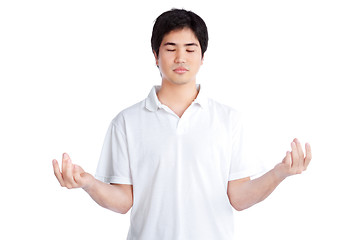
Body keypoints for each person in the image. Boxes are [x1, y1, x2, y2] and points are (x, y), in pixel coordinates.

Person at [52, 8, 312, 240]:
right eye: (170, 48)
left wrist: (280, 173)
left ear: (202, 56)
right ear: (155, 55)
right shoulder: (127, 122)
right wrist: (88, 183)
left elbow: (240, 197)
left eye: (190, 49)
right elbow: (122, 201)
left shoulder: (228, 120)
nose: (180, 58)